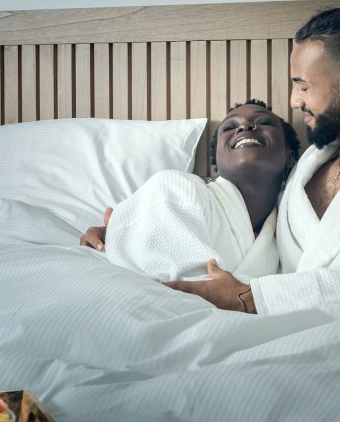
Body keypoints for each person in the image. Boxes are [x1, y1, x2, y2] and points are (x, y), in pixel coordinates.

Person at [84, 0, 340, 315]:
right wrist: (126, 227)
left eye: (303, 85)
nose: (294, 101)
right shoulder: (300, 174)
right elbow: (233, 219)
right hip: (282, 332)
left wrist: (252, 297)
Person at [81, 99, 300, 289]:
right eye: (229, 127)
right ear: (216, 164)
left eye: (263, 122)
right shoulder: (175, 188)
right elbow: (177, 287)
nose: (245, 126)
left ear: (290, 155)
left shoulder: (286, 236)